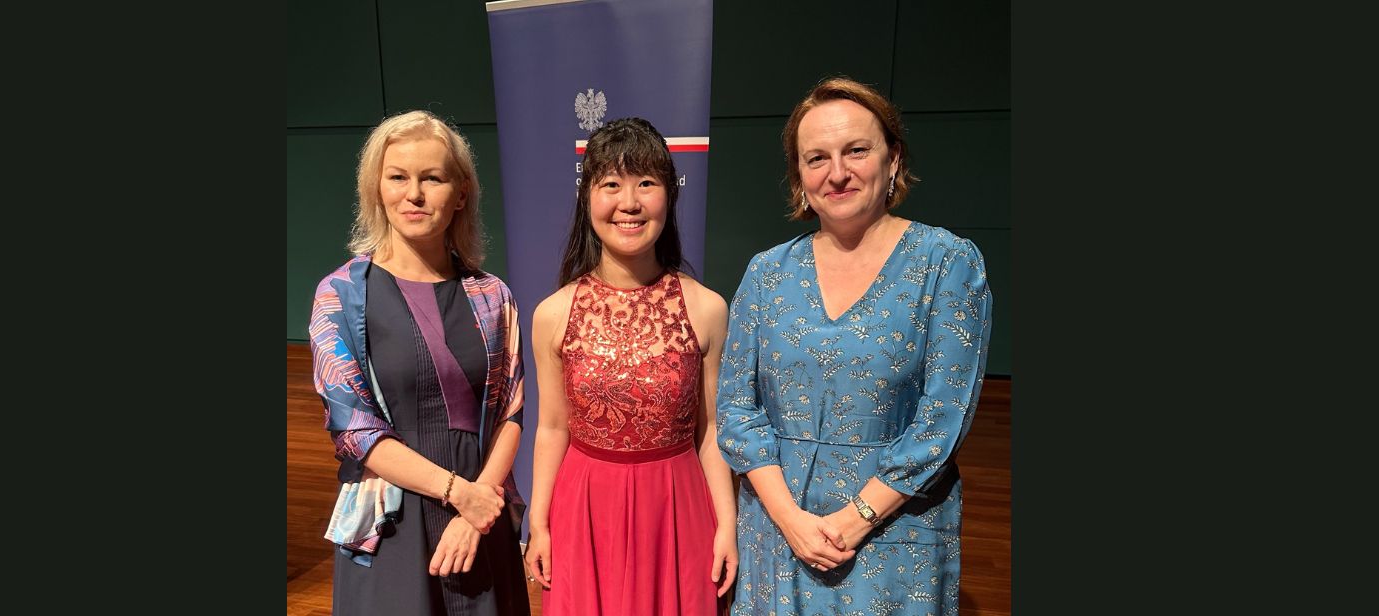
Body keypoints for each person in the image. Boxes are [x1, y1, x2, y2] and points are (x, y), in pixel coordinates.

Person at [716, 77, 993, 615]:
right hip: (779, 530)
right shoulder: (766, 272)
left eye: (857, 151)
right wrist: (791, 521)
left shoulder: (947, 263)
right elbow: (736, 410)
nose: (837, 172)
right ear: (799, 176)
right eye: (816, 158)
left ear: (893, 160)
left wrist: (855, 519)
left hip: (894, 532)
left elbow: (942, 419)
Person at [309, 110, 530, 616]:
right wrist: (459, 494)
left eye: (432, 178)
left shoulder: (492, 296)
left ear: (461, 193)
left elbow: (511, 411)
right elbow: (354, 432)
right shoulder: (339, 296)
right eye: (398, 177)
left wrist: (476, 507)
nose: (414, 194)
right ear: (376, 188)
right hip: (392, 526)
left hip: (479, 522)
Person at [521, 117, 738, 615]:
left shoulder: (707, 308)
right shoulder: (552, 314)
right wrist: (540, 522)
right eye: (611, 185)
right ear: (587, 199)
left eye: (646, 183)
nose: (630, 203)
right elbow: (552, 427)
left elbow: (710, 429)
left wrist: (727, 524)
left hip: (678, 509)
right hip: (584, 509)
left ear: (669, 196)